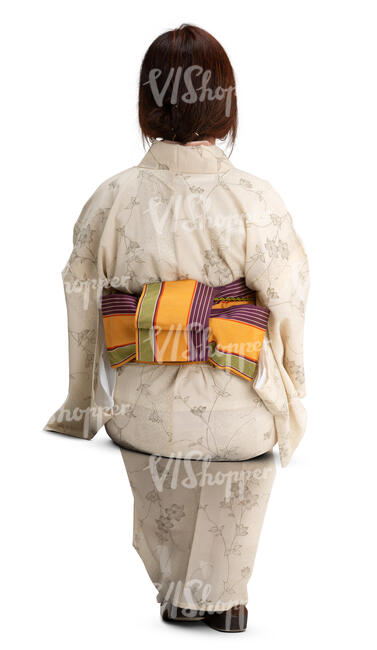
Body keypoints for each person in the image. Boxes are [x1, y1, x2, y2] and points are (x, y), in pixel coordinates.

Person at [44, 24, 310, 633]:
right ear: (227, 103)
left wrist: (82, 403)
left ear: (146, 102)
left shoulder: (111, 197)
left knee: (159, 448)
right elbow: (290, 299)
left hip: (144, 413)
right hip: (240, 405)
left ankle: (180, 590)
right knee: (240, 443)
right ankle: (226, 597)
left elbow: (81, 304)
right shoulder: (256, 199)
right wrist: (290, 392)